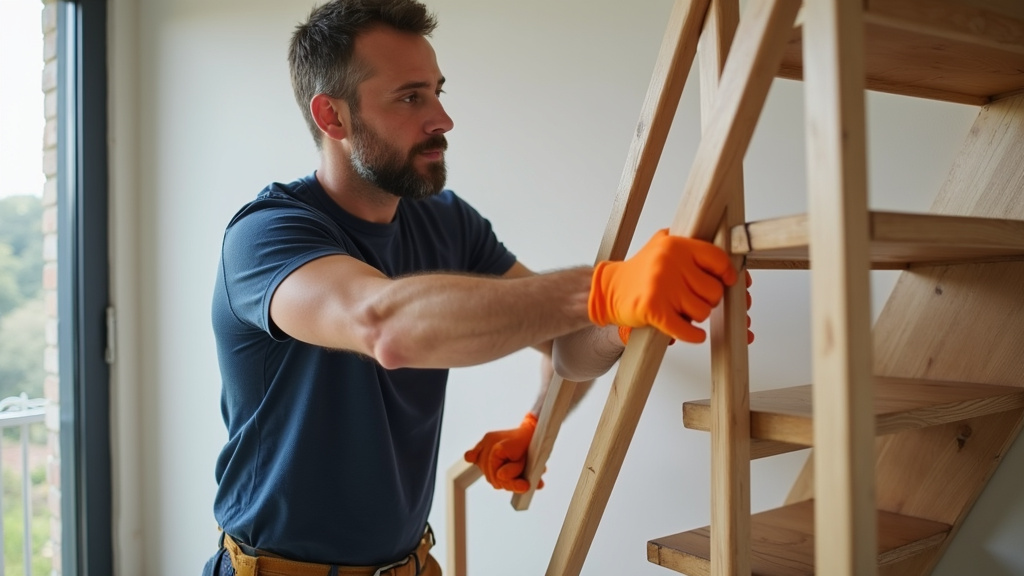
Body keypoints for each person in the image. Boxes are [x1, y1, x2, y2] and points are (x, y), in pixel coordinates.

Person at [202, 1, 742, 575]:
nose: (442, 118)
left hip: (413, 565)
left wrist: (574, 380)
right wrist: (605, 287)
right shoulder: (267, 237)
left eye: (437, 91)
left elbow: (569, 339)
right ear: (332, 117)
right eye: (411, 97)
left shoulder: (446, 221)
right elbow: (384, 324)